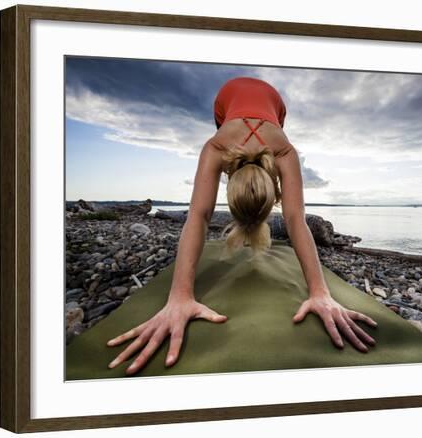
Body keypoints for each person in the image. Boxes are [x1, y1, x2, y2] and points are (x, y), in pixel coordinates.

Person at [106, 76, 378, 375]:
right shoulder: (247, 148)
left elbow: (200, 215)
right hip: (229, 103)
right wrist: (179, 297)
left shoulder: (248, 148)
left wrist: (321, 293)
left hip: (273, 105)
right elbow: (293, 218)